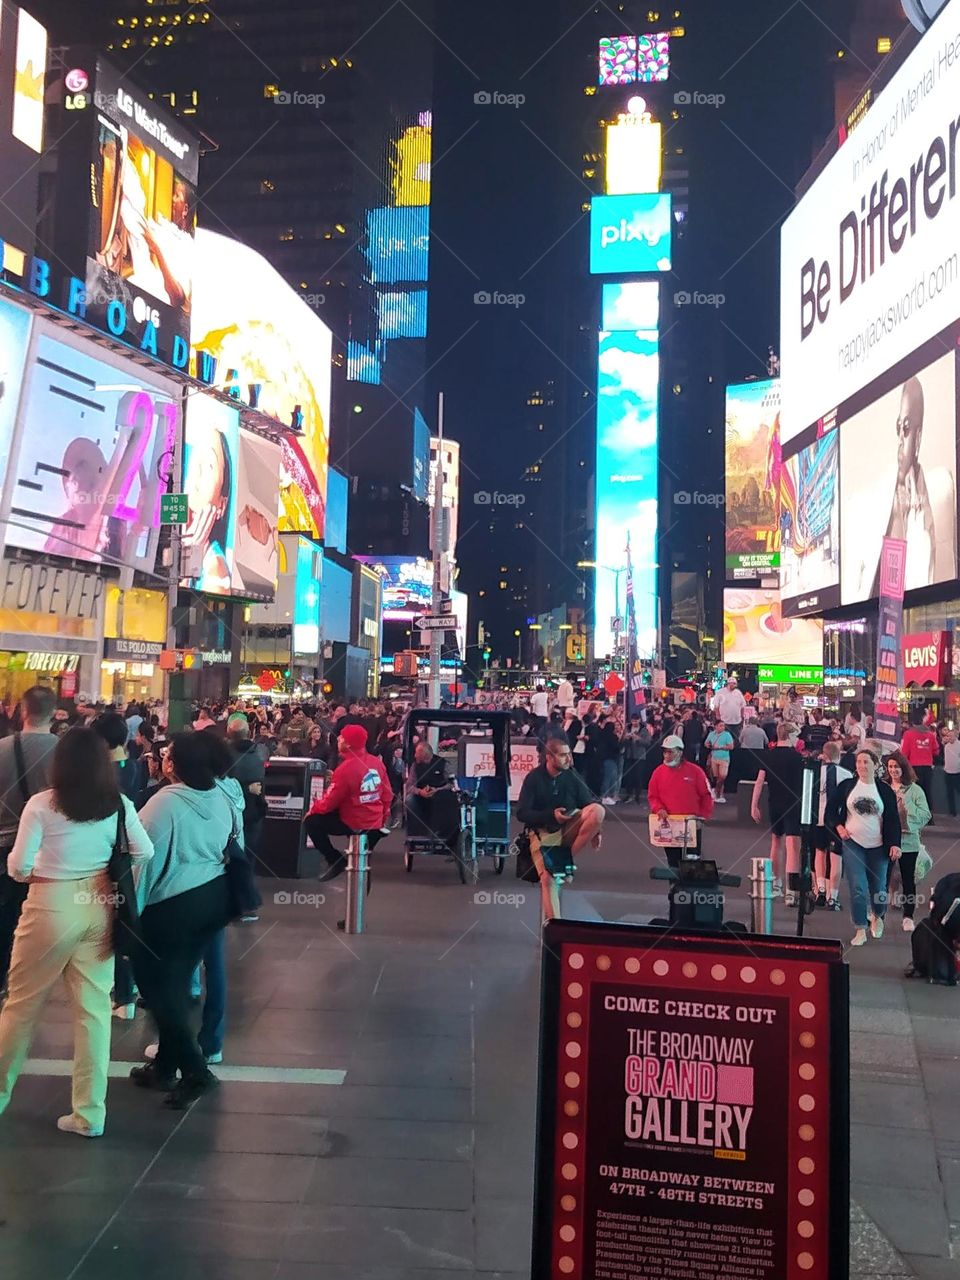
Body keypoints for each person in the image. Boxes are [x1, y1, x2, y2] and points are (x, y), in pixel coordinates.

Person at [0, 728, 153, 1137]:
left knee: (21, 1007)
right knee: (93, 1011)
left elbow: (17, 866)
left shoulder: (41, 805)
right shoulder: (118, 804)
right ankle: (89, 1113)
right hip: (100, 905)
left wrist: (40, 873)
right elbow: (145, 851)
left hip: (50, 903)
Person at [131, 733, 239, 1108]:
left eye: (167, 755)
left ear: (175, 764)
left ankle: (195, 1071)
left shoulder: (164, 804)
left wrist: (131, 912)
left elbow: (142, 862)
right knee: (174, 984)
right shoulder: (222, 797)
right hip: (209, 898)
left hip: (172, 906)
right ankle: (163, 1066)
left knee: (158, 989)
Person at [0, 687, 58, 994]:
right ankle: (32, 982)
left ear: (23, 711)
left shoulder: (2, 749)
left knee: (5, 916)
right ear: (54, 714)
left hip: (4, 847)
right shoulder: (64, 753)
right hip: (49, 851)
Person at [516, 739, 605, 920]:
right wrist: (551, 815)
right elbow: (522, 813)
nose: (568, 759)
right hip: (543, 832)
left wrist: (597, 830)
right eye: (563, 755)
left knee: (598, 811)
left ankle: (563, 861)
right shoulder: (534, 778)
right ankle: (554, 930)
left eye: (569, 754)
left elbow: (588, 804)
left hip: (568, 828)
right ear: (549, 757)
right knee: (549, 880)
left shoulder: (572, 776)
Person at [826, 748, 902, 948]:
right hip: (853, 843)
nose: (861, 766)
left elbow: (893, 819)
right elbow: (830, 811)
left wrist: (895, 843)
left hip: (878, 845)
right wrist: (839, 827)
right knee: (858, 887)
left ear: (875, 765)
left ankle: (878, 915)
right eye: (859, 762)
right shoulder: (847, 786)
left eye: (866, 762)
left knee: (878, 888)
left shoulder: (884, 790)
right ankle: (860, 927)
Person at [303, 723, 391, 884]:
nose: (339, 739)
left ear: (348, 743)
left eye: (342, 737)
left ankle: (335, 860)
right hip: (374, 820)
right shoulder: (376, 763)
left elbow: (329, 802)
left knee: (311, 822)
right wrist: (382, 819)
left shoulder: (345, 769)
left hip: (354, 820)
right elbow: (387, 795)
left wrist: (312, 810)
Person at [751, 722, 806, 905]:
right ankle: (791, 891)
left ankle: (776, 884)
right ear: (790, 736)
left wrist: (754, 805)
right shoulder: (798, 758)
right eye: (796, 736)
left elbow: (759, 782)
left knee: (776, 843)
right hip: (794, 805)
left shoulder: (768, 755)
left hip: (774, 803)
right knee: (793, 847)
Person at [647, 735, 714, 867]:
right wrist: (659, 808)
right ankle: (674, 887)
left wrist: (702, 817)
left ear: (680, 752)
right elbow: (653, 796)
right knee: (673, 862)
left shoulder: (696, 772)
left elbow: (707, 796)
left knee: (692, 860)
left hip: (691, 823)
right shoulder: (658, 773)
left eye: (670, 752)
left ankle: (692, 887)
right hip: (669, 824)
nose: (667, 755)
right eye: (665, 751)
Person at [883, 751, 931, 933]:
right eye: (890, 767)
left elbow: (926, 814)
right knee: (883, 878)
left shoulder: (915, 790)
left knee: (908, 879)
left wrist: (907, 810)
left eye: (897, 767)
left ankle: (908, 916)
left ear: (903, 768)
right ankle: (877, 915)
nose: (894, 770)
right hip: (885, 841)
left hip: (908, 841)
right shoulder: (884, 788)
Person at [812, 742, 851, 911]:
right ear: (838, 756)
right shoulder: (846, 775)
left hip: (816, 819)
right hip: (837, 822)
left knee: (819, 853)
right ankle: (832, 897)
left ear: (824, 755)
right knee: (836, 858)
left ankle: (820, 889)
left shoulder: (815, 772)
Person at [900, 714, 938, 821]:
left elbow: (904, 753)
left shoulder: (908, 734)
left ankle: (915, 815)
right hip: (927, 767)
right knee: (927, 791)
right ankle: (929, 817)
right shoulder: (930, 734)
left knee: (914, 792)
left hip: (913, 767)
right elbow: (936, 751)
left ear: (912, 723)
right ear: (922, 721)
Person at [703, 718, 735, 803]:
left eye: (723, 726)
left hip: (724, 758)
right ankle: (719, 794)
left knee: (722, 776)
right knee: (716, 777)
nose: (722, 727)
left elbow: (731, 747)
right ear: (716, 726)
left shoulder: (727, 735)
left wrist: (720, 747)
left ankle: (716, 792)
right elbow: (706, 743)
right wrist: (709, 746)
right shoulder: (711, 734)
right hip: (714, 758)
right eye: (720, 726)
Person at [711, 677, 746, 741]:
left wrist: (742, 717)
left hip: (736, 722)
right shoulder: (720, 692)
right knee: (724, 739)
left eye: (734, 684)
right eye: (732, 684)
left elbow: (742, 706)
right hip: (724, 721)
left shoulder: (738, 693)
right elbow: (716, 706)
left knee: (736, 739)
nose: (733, 685)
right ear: (728, 684)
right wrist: (718, 716)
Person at [942, 728, 960, 817]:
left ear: (956, 736)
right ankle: (952, 812)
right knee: (949, 793)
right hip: (948, 772)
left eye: (951, 736)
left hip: (957, 773)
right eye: (948, 736)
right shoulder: (946, 746)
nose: (949, 737)